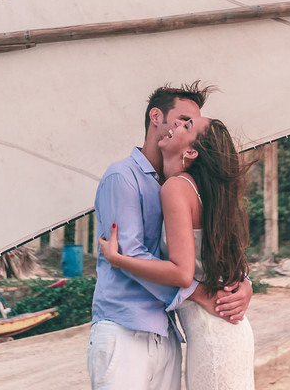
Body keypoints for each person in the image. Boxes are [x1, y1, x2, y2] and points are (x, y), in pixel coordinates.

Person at [88, 83, 252, 390]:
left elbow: (216, 243)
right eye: (181, 119)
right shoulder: (123, 178)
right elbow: (134, 254)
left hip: (167, 332)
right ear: (156, 118)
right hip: (127, 329)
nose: (180, 126)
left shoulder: (181, 184)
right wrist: (201, 293)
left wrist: (244, 284)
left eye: (189, 124)